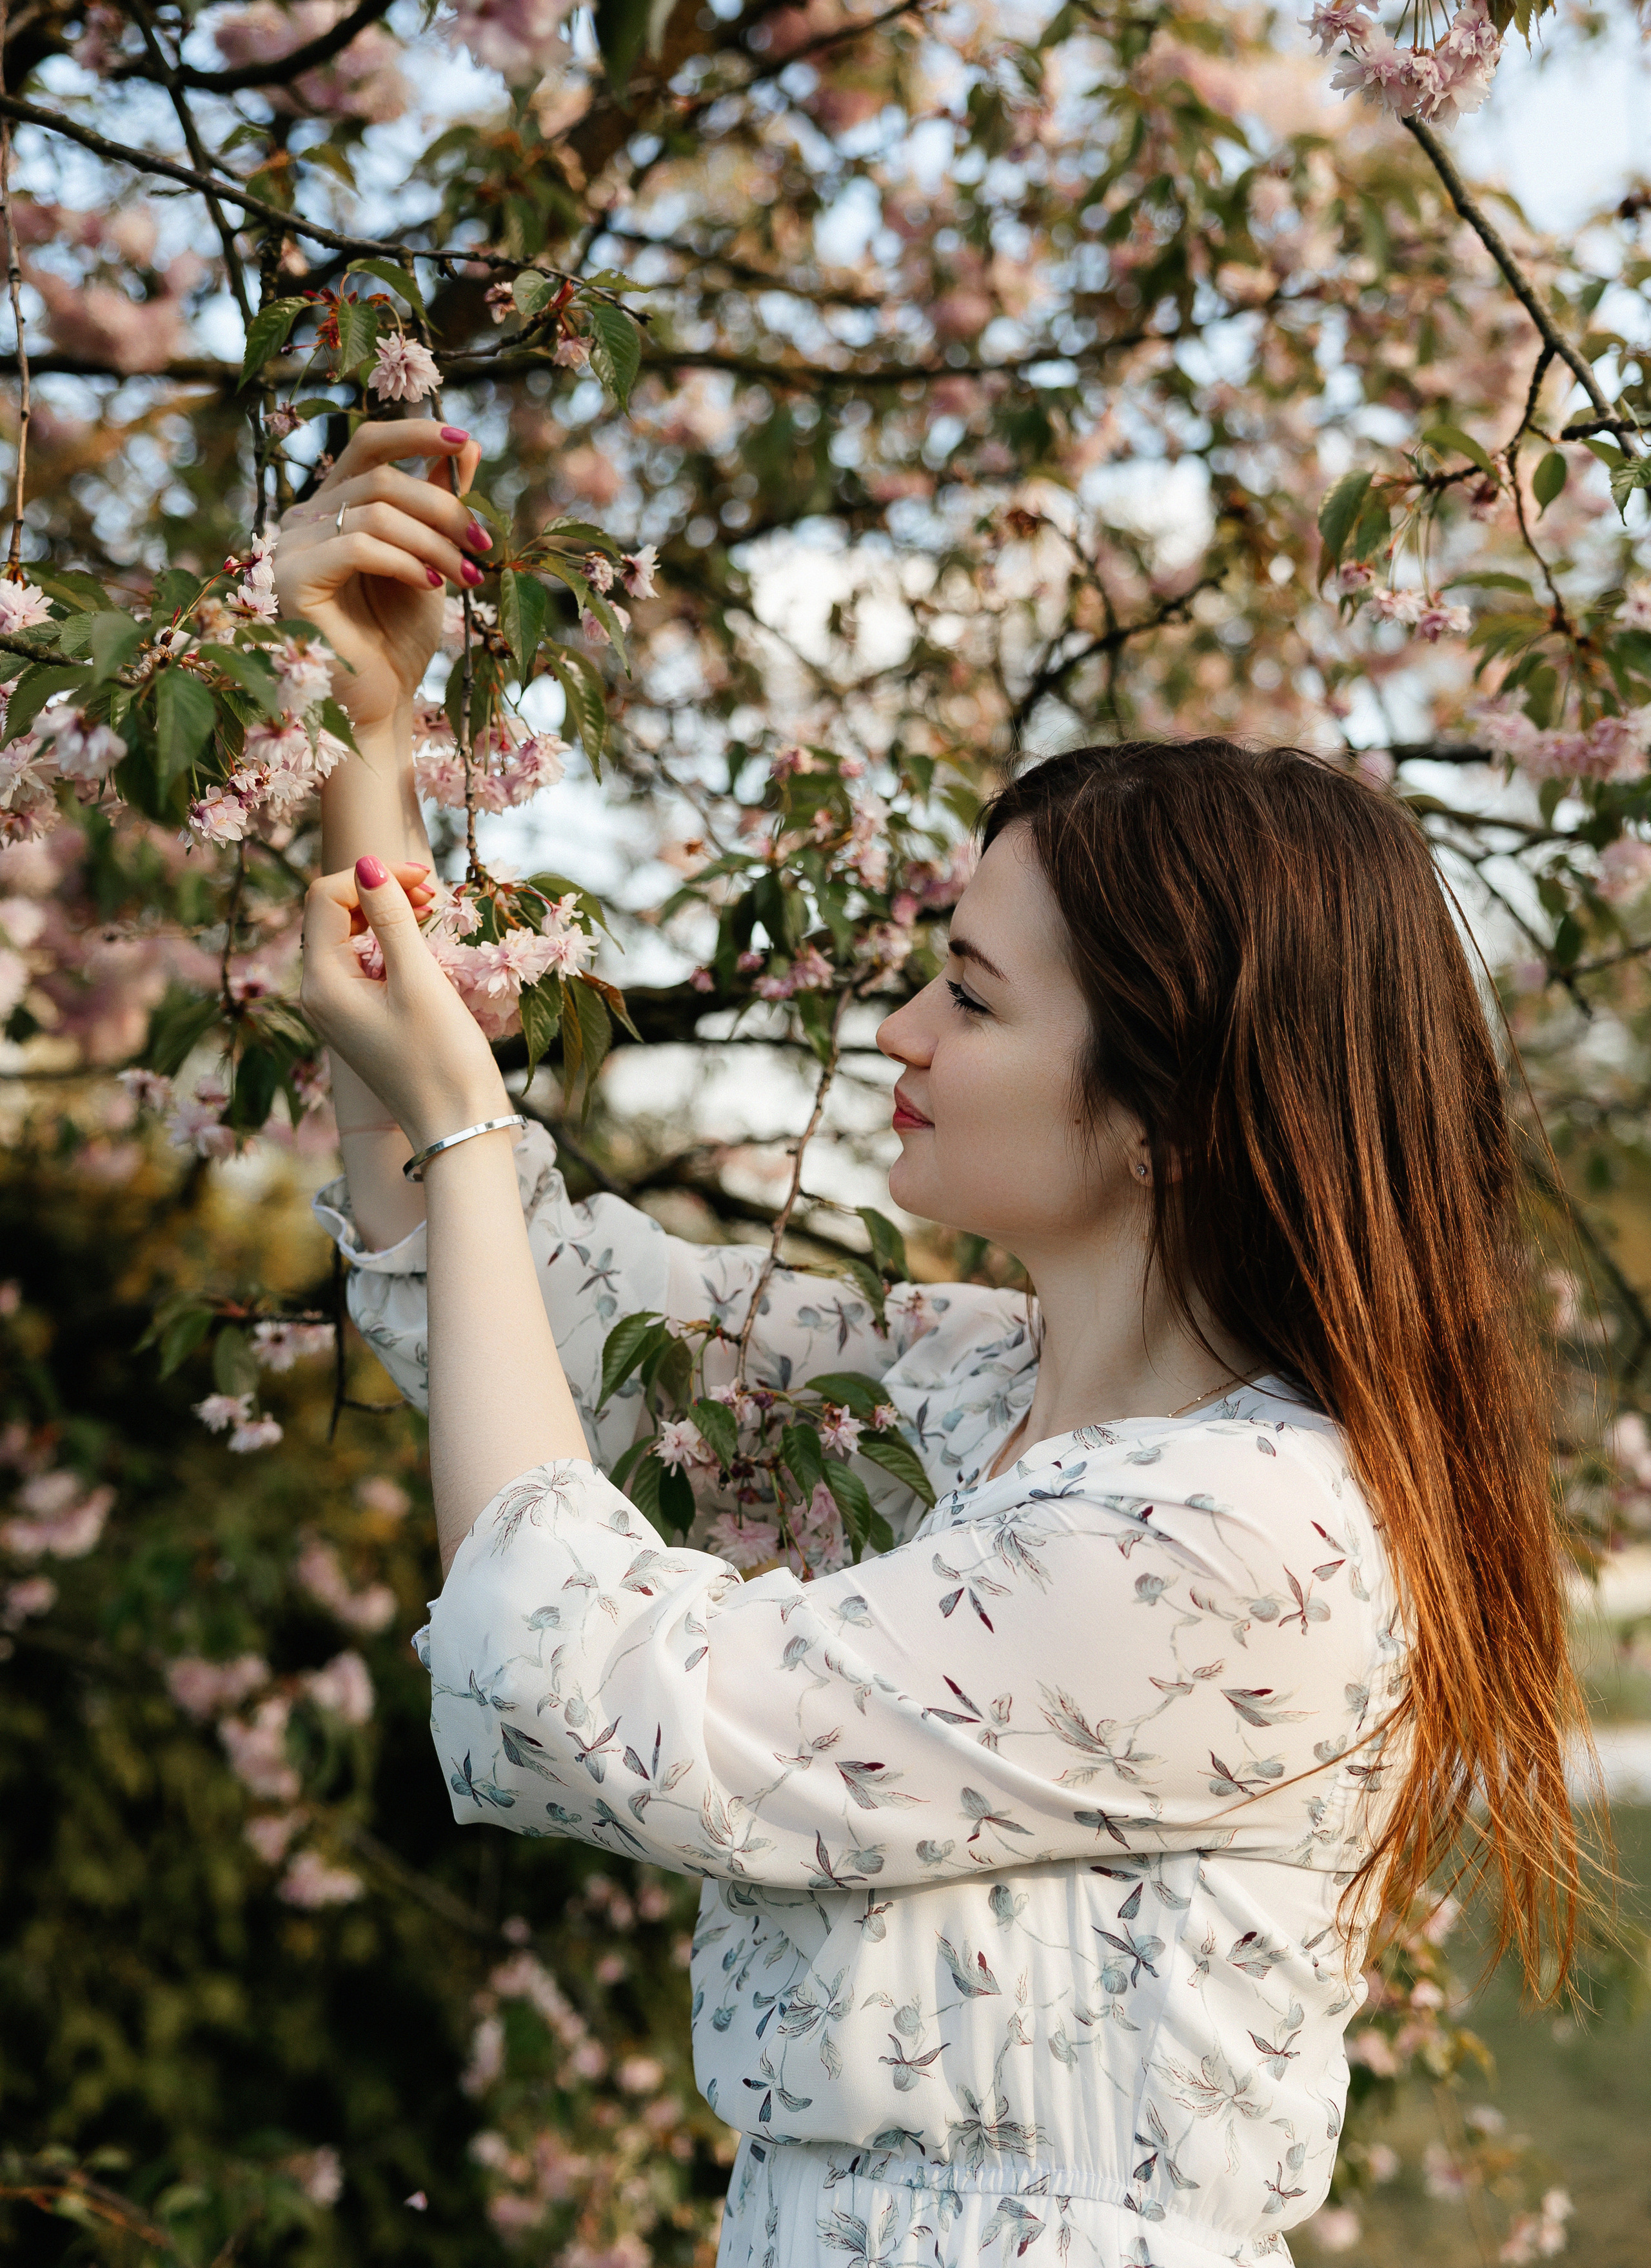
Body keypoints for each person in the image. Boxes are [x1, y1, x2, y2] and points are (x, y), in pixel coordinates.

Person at [282, 421, 1591, 2268]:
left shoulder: (1239, 1540)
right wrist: (361, 756)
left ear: (1173, 1112)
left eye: (968, 995)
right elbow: (524, 1312)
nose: (895, 1031)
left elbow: (580, 1697)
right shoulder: (966, 1384)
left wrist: (468, 1120)